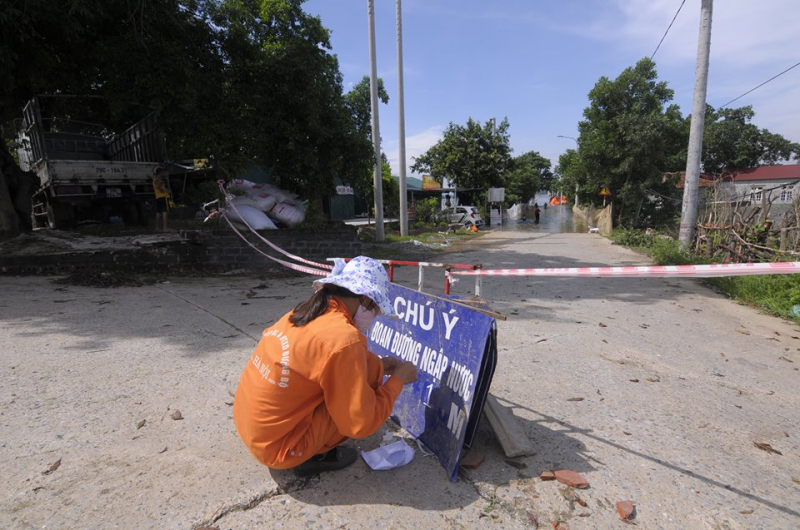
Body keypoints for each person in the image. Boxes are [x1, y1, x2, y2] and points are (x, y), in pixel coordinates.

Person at [233, 256, 418, 476]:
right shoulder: (344, 338)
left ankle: (309, 441)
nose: (376, 315)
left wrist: (380, 365)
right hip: (280, 448)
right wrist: (397, 382)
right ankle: (314, 455)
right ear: (365, 299)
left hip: (252, 427)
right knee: (358, 398)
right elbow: (359, 423)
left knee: (365, 364)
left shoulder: (304, 312)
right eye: (376, 309)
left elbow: (328, 361)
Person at [152, 165, 170, 232]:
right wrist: (166, 191)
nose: (163, 174)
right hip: (162, 197)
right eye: (162, 172)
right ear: (160, 173)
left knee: (158, 212)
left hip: (157, 197)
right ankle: (165, 228)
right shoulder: (159, 180)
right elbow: (159, 187)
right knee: (164, 212)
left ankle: (157, 228)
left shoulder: (154, 180)